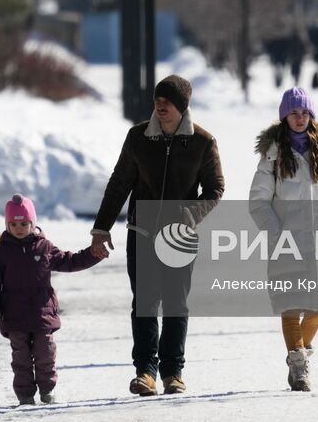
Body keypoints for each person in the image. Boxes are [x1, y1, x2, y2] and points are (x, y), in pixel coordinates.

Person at [90, 75, 224, 397]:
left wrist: (191, 215)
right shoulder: (138, 137)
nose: (160, 106)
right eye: (157, 100)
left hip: (180, 235)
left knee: (176, 304)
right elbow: (119, 183)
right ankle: (145, 372)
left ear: (182, 105)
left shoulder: (202, 142)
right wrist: (101, 228)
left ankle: (173, 373)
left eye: (167, 101)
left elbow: (215, 188)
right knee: (145, 304)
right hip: (143, 231)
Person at [248, 87, 318, 392]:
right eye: (294, 112)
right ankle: (299, 364)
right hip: (286, 242)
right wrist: (275, 232)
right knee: (291, 304)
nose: (300, 118)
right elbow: (258, 201)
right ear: (284, 116)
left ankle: (299, 353)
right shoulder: (273, 154)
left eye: (305, 112)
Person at [0, 194, 107, 405]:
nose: (19, 228)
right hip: (14, 316)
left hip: (42, 314)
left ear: (33, 223)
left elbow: (70, 261)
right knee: (20, 358)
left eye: (24, 223)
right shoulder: (1, 252)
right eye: (13, 224)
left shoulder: (44, 247)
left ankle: (47, 390)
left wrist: (93, 254)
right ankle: (25, 394)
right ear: (7, 224)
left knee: (45, 353)